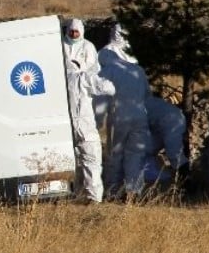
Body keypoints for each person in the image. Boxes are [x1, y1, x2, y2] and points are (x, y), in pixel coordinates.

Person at [63, 18, 115, 202]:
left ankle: (84, 195)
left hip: (76, 121)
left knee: (83, 160)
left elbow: (95, 75)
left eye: (76, 32)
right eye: (71, 32)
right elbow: (107, 87)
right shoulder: (80, 77)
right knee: (89, 159)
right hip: (78, 122)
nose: (73, 35)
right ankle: (91, 197)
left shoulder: (86, 52)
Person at [97, 24, 150, 200]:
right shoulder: (138, 70)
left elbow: (102, 97)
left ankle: (112, 193)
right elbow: (147, 95)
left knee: (115, 156)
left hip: (119, 117)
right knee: (136, 154)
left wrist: (98, 120)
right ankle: (133, 192)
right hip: (140, 116)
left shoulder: (108, 70)